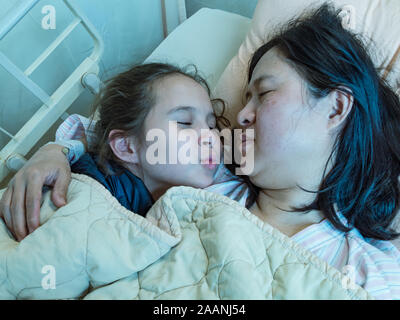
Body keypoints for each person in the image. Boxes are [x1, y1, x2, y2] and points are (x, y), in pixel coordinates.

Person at [1, 4, 399, 299]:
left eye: (264, 93)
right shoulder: (212, 175)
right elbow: (116, 141)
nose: (242, 115)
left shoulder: (368, 271)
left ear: (335, 107)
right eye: (245, 98)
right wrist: (53, 152)